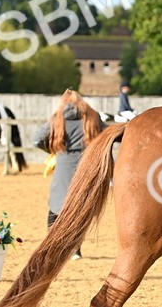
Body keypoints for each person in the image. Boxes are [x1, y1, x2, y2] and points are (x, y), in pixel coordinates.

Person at [33, 89, 107, 259]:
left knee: (56, 206)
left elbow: (36, 139)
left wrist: (51, 149)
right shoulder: (92, 116)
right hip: (86, 164)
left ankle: (51, 247)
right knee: (80, 206)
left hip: (63, 163)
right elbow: (107, 135)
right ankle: (75, 249)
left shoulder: (57, 117)